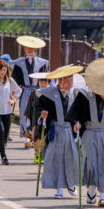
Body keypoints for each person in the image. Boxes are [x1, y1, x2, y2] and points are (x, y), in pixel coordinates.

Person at [66, 59, 104, 208]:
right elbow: (75, 113)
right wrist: (76, 124)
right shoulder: (85, 94)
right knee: (91, 162)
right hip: (90, 131)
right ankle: (91, 189)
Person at [36, 66, 83, 199]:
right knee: (55, 159)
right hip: (55, 129)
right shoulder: (49, 93)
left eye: (71, 80)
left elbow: (78, 112)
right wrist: (42, 114)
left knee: (72, 158)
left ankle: (70, 184)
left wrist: (77, 123)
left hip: (69, 130)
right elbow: (38, 107)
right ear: (60, 81)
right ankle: (58, 189)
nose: (70, 83)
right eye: (67, 81)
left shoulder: (74, 94)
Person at [11, 36, 48, 148]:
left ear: (35, 50)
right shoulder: (18, 63)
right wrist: (14, 91)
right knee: (24, 113)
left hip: (38, 90)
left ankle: (34, 136)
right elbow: (15, 79)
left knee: (36, 113)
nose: (30, 51)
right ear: (24, 49)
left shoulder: (42, 63)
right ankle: (27, 136)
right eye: (28, 48)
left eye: (32, 48)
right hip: (25, 90)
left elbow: (45, 77)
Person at [23, 72, 49, 164]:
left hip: (47, 119)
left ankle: (42, 155)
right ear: (38, 82)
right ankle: (37, 155)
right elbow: (29, 107)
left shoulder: (50, 92)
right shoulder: (34, 93)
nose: (43, 84)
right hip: (35, 118)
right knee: (36, 137)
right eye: (41, 82)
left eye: (45, 82)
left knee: (45, 138)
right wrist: (28, 121)